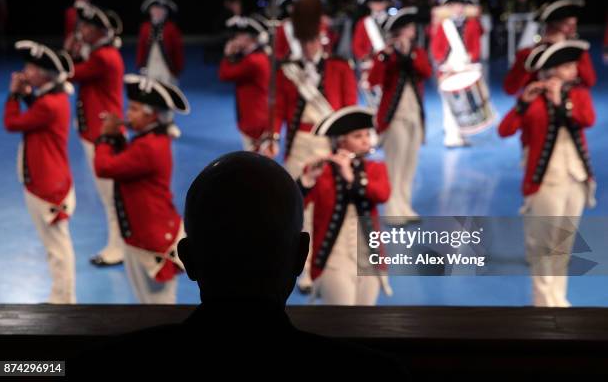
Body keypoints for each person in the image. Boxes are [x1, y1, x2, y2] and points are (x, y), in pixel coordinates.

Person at [69, 152, 408, 378]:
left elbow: (23, 370)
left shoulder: (96, 367)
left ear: (188, 259)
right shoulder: (379, 374)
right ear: (300, 255)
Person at [266, 0, 357, 294]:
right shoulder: (287, 71)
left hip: (328, 145)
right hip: (299, 145)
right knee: (298, 206)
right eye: (304, 41)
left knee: (325, 207)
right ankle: (302, 268)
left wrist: (348, 144)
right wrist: (272, 137)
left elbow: (348, 109)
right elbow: (278, 109)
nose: (308, 47)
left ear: (322, 38)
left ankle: (323, 261)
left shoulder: (341, 68)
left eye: (312, 41)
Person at [498, 40, 596, 307]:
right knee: (543, 244)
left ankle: (558, 296)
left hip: (575, 178)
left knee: (564, 242)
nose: (574, 70)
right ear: (551, 71)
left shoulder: (578, 95)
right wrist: (522, 104)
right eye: (567, 66)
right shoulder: (533, 98)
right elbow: (505, 130)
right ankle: (542, 300)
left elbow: (588, 119)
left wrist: (561, 103)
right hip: (545, 182)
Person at [94, 74, 190, 304]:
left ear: (153, 115)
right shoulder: (148, 140)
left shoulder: (149, 146)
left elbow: (104, 167)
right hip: (142, 235)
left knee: (159, 307)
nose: (127, 114)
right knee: (146, 303)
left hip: (152, 237)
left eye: (135, 109)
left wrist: (106, 137)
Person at [3, 41, 76, 303]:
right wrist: (26, 95)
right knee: (55, 247)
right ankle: (61, 296)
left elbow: (12, 123)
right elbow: (38, 109)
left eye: (31, 67)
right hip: (48, 180)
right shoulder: (53, 97)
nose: (25, 71)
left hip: (47, 186)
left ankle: (65, 300)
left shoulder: (48, 104)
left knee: (57, 248)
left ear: (44, 74)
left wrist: (13, 95)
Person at [299, 107, 392, 305]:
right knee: (341, 319)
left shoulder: (375, 168)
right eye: (357, 136)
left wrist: (351, 177)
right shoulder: (321, 171)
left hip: (369, 258)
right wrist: (307, 179)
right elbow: (297, 205)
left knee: (366, 319)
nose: (366, 140)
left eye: (367, 134)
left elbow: (382, 194)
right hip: (334, 259)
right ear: (341, 141)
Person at [66, 1, 126, 267]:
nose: (82, 30)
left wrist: (69, 52)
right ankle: (118, 244)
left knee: (111, 197)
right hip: (96, 132)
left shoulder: (102, 57)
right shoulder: (101, 52)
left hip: (102, 135)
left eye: (88, 26)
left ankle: (118, 247)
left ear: (102, 31)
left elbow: (70, 73)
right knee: (110, 195)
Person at [368, 7, 432, 221]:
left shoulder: (417, 52)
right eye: (408, 27)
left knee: (409, 164)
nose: (413, 30)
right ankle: (392, 210)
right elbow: (373, 80)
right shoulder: (385, 55)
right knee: (394, 165)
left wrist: (408, 55)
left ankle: (405, 206)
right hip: (393, 117)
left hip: (415, 115)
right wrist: (387, 57)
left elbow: (426, 72)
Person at [430, 0, 484, 148]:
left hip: (465, 64)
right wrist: (444, 64)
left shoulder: (472, 23)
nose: (457, 8)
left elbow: (476, 43)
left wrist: (471, 58)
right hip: (448, 66)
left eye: (460, 4)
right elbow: (436, 48)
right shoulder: (442, 24)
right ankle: (451, 136)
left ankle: (462, 132)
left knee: (465, 102)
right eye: (453, 5)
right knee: (449, 102)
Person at [503, 0, 596, 96]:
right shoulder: (529, 54)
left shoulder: (577, 53)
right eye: (569, 25)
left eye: (574, 25)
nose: (573, 30)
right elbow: (510, 89)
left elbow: (590, 81)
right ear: (551, 26)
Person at [218, 15, 270, 151]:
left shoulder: (253, 61)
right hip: (257, 116)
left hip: (255, 119)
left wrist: (228, 54)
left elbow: (224, 75)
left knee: (256, 164)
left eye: (239, 35)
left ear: (250, 38)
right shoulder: (256, 56)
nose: (235, 39)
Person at [136, 0, 184, 86]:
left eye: (161, 11)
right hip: (150, 66)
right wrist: (141, 65)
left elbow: (177, 50)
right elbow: (141, 48)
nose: (157, 13)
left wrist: (177, 68)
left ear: (165, 13)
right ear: (150, 12)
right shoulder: (145, 27)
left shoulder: (172, 28)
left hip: (166, 67)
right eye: (155, 10)